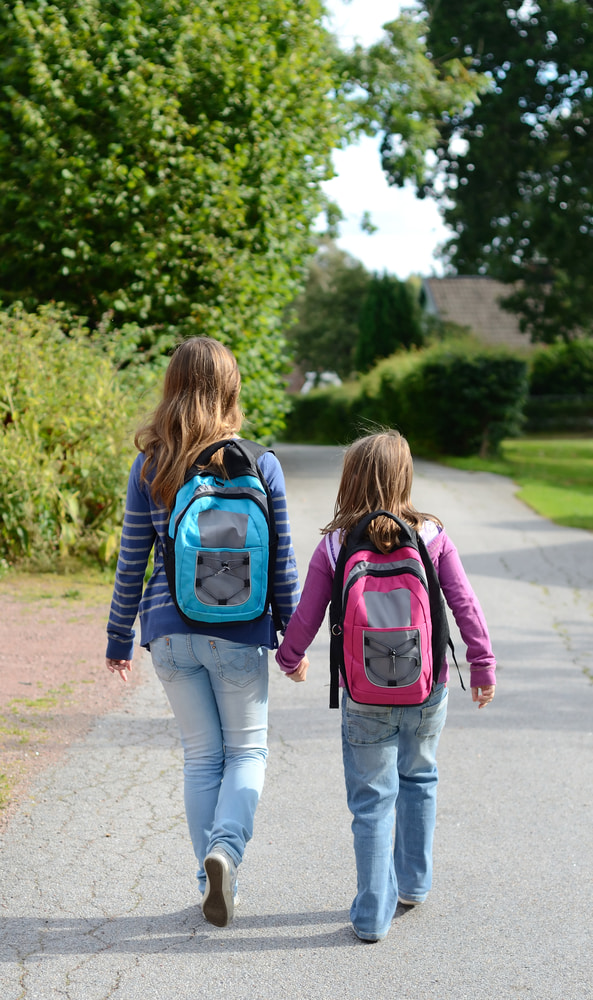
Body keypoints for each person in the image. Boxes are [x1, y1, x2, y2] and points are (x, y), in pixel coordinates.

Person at [105, 337, 300, 929]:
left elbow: (132, 556)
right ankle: (227, 854)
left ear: (172, 386)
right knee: (247, 751)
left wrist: (119, 638)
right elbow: (283, 561)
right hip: (239, 630)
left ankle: (208, 879)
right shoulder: (259, 461)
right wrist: (291, 640)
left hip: (168, 630)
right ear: (231, 389)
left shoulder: (151, 462)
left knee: (201, 757)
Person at [275, 430, 496, 943]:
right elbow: (465, 606)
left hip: (363, 692)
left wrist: (290, 659)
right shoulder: (432, 534)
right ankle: (414, 885)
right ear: (405, 476)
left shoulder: (335, 544)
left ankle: (372, 916)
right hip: (427, 686)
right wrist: (481, 665)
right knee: (420, 777)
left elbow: (306, 617)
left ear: (350, 480)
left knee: (372, 800)